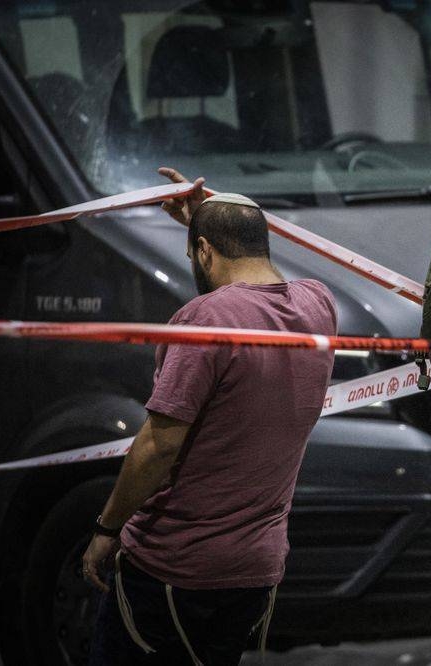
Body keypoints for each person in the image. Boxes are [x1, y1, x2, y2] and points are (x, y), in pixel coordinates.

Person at [82, 170, 338, 665]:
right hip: (254, 570)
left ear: (203, 251)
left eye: (194, 252)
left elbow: (159, 445)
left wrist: (106, 528)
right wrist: (209, 221)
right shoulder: (318, 305)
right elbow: (256, 274)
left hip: (174, 568)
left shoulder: (205, 320)